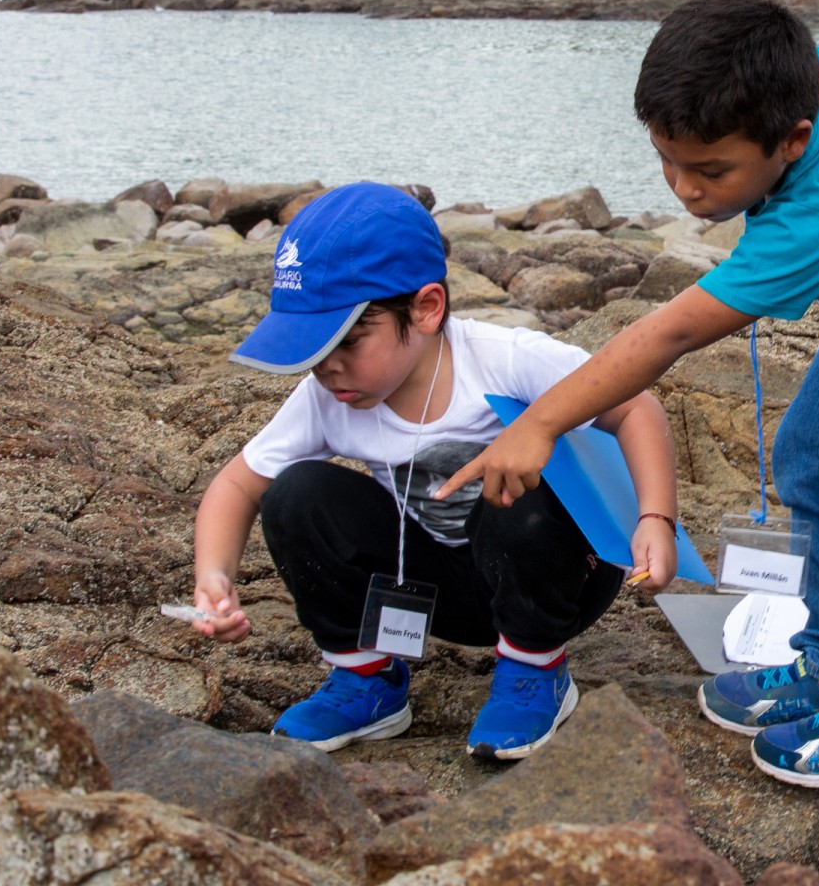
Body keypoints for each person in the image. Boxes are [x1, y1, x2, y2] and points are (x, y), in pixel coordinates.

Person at [432, 0, 819, 788]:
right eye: (666, 161)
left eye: (710, 170)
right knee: (807, 455)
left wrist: (540, 424)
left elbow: (667, 336)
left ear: (793, 139)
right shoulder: (802, 75)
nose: (683, 189)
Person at [189, 182, 678, 759]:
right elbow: (238, 484)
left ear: (426, 308)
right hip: (432, 587)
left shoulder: (503, 359)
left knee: (518, 492)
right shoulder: (325, 396)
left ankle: (533, 671)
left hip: (555, 576)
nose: (328, 368)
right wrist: (213, 579)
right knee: (296, 494)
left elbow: (635, 408)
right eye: (313, 350)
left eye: (346, 340)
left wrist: (656, 520)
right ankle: (367, 681)